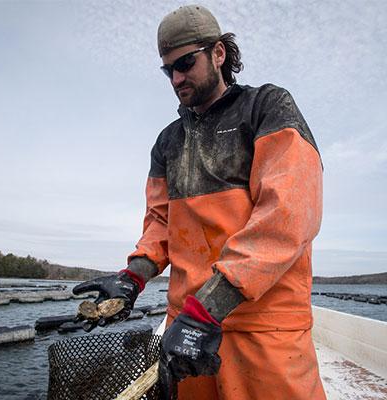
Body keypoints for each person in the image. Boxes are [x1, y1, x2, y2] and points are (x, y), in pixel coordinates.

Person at [73, 4, 327, 399]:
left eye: (186, 63)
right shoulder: (167, 142)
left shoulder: (267, 108)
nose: (176, 78)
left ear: (219, 54)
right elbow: (161, 223)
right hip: (185, 332)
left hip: (262, 330)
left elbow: (287, 215)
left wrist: (209, 306)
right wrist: (132, 278)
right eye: (168, 69)